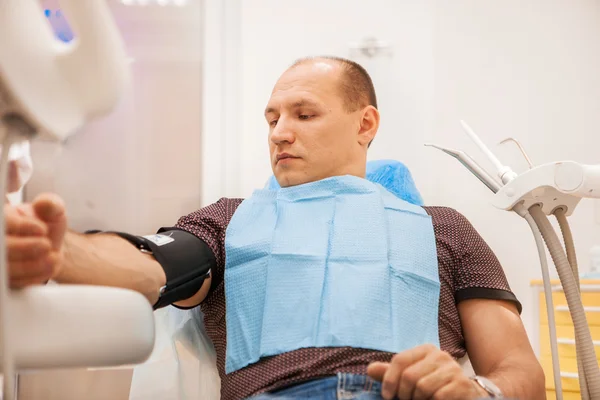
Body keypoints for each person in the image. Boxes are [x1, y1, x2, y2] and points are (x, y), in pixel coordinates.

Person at [5, 56, 545, 400]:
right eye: (271, 119)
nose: (280, 133)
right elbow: (152, 266)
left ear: (365, 124)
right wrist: (62, 253)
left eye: (303, 115)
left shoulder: (443, 229)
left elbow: (519, 369)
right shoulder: (230, 218)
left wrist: (479, 393)